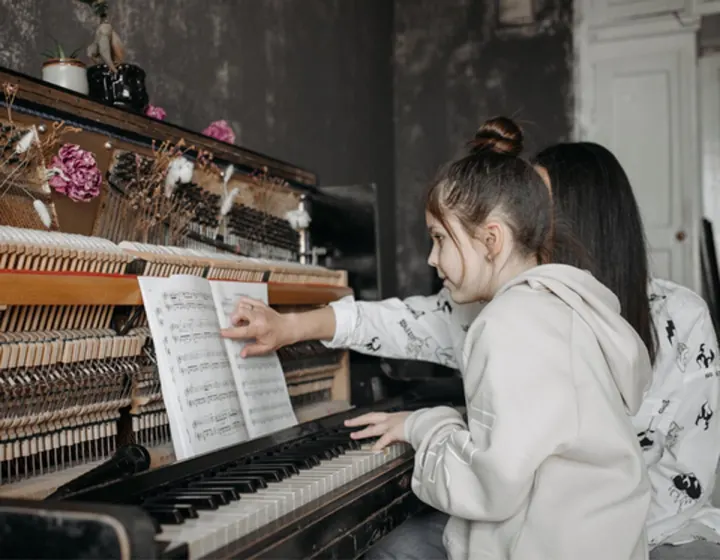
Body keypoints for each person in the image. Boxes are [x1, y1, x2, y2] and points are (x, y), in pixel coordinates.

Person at [225, 117, 653, 559]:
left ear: (491, 240)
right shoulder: (568, 304)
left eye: (439, 238)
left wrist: (422, 424)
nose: (431, 258)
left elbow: (491, 483)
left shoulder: (508, 322)